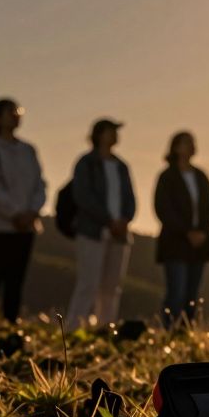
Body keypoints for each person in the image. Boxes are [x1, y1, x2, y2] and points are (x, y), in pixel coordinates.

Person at [0, 98, 46, 323]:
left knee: (16, 278)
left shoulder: (28, 150)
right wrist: (14, 214)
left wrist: (33, 211)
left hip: (25, 226)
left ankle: (10, 323)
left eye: (17, 111)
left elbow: (39, 184)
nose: (15, 116)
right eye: (10, 112)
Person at [63, 119, 135, 330]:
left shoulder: (121, 166)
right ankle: (73, 328)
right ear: (99, 135)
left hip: (119, 233)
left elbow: (130, 198)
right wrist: (107, 220)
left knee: (112, 285)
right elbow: (83, 196)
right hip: (91, 231)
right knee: (89, 282)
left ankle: (106, 328)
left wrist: (125, 219)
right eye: (110, 131)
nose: (115, 135)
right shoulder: (86, 163)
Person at [154, 131, 209, 328]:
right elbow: (163, 208)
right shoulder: (167, 177)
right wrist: (186, 232)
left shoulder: (200, 176)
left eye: (193, 142)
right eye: (187, 143)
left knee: (192, 293)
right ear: (176, 147)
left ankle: (187, 331)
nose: (192, 146)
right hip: (176, 243)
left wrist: (203, 231)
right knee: (177, 292)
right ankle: (170, 330)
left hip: (199, 244)